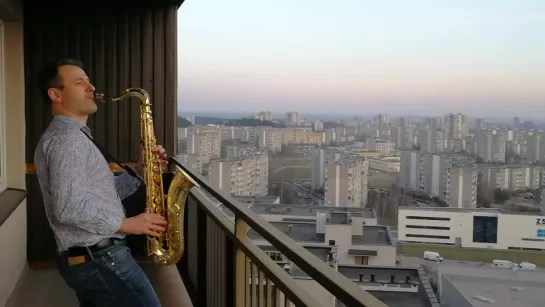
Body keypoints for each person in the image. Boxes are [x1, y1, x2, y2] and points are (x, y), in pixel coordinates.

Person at [34, 59, 167, 307]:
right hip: (100, 258)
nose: (91, 87)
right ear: (56, 94)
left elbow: (101, 194)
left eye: (88, 80)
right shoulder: (67, 141)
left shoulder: (75, 137)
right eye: (79, 82)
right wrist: (126, 224)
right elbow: (69, 208)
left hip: (95, 259)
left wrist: (140, 170)